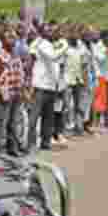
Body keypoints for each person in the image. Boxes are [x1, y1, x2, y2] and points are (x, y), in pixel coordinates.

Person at [28, 23, 63, 151]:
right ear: (42, 32)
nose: (51, 33)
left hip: (51, 86)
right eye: (48, 30)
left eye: (53, 31)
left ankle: (45, 142)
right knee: (34, 115)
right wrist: (64, 47)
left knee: (49, 117)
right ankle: (29, 142)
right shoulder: (41, 44)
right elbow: (53, 57)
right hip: (40, 85)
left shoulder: (52, 45)